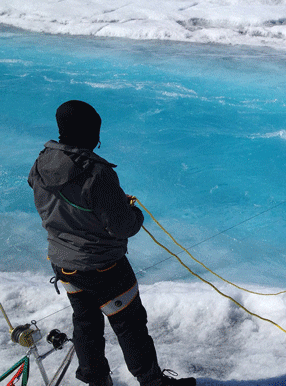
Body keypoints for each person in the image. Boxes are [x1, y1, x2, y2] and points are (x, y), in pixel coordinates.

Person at [28, 100, 196, 386]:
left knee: (85, 322)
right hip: (104, 268)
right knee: (129, 325)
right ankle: (152, 382)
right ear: (87, 132)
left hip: (63, 264)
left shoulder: (42, 163)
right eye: (95, 131)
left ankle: (97, 380)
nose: (98, 138)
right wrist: (133, 212)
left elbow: (54, 200)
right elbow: (123, 227)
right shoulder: (97, 173)